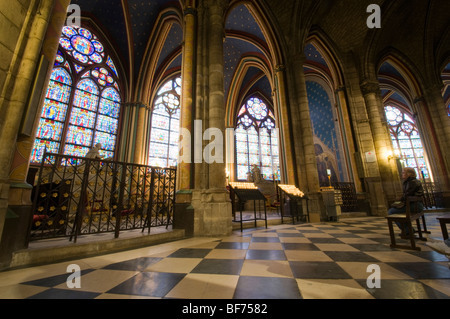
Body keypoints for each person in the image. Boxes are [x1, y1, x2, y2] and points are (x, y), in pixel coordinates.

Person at [388, 167, 424, 237]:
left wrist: (400, 200)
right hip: (416, 204)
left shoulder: (411, 182)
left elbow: (407, 195)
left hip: (415, 205)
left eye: (404, 172)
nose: (402, 174)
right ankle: (408, 229)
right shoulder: (411, 181)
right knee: (394, 209)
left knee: (391, 212)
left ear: (409, 174)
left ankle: (407, 230)